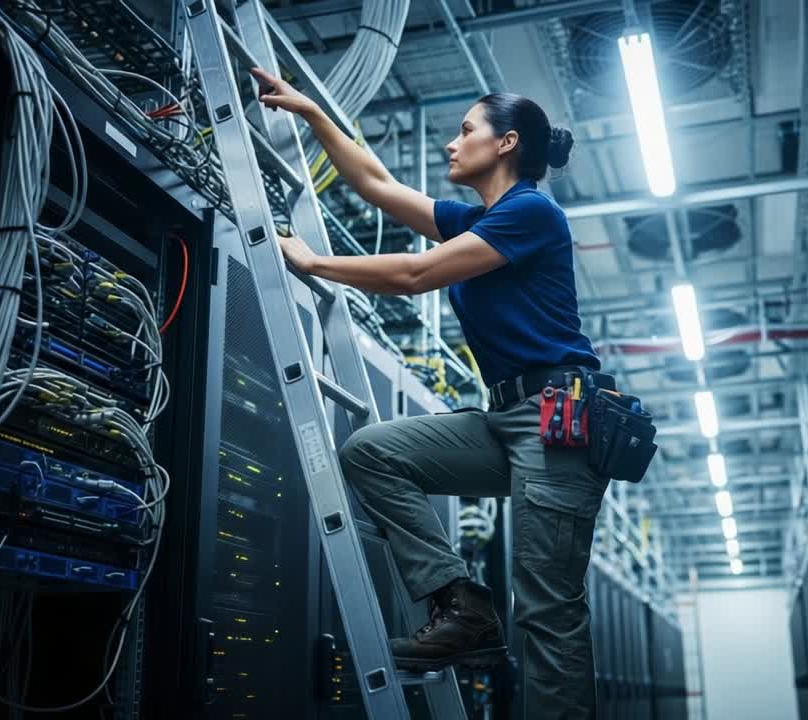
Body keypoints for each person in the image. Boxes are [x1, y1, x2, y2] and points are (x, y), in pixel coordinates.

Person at [251, 67, 612, 718]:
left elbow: (416, 275)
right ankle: (464, 605)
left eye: (466, 130)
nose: (452, 142)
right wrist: (311, 112)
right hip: (510, 416)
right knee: (371, 453)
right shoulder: (481, 220)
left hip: (561, 415)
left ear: (505, 144)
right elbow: (377, 184)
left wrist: (314, 262)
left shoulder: (530, 212)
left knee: (546, 606)